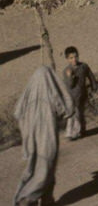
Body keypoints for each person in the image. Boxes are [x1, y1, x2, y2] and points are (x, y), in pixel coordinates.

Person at [12, 64, 71, 206]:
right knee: (45, 169)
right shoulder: (51, 93)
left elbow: (17, 111)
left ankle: (47, 200)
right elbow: (67, 109)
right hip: (47, 138)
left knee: (36, 167)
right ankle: (27, 199)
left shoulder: (28, 93)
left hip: (32, 140)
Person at [61, 46, 95, 140]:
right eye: (71, 58)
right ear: (67, 59)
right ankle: (72, 133)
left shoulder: (83, 66)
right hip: (72, 97)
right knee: (73, 115)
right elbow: (70, 85)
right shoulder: (66, 71)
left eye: (76, 56)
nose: (74, 59)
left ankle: (82, 130)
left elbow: (90, 75)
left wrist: (94, 85)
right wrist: (70, 77)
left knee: (80, 113)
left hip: (82, 95)